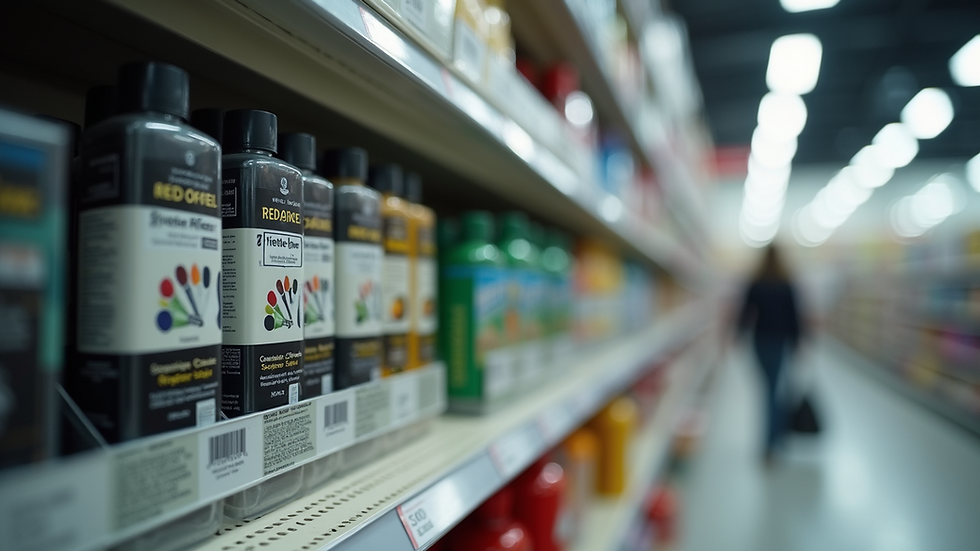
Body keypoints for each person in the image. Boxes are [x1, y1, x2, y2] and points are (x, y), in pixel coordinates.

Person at [736, 245, 804, 463]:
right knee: (774, 392)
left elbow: (745, 312)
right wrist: (798, 343)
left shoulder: (756, 283)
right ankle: (774, 441)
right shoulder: (787, 284)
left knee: (768, 392)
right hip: (780, 342)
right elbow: (795, 317)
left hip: (760, 342)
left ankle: (770, 442)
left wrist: (737, 335)